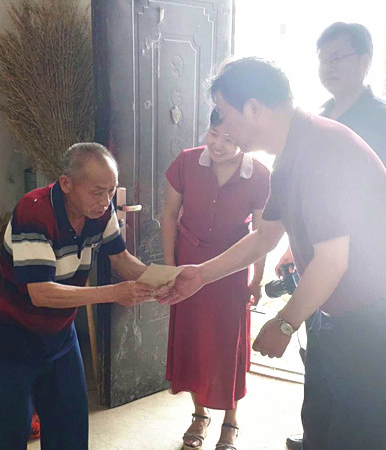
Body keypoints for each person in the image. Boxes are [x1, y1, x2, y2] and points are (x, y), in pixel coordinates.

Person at [159, 58, 386, 450]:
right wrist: (200, 275)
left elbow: (332, 261)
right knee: (321, 432)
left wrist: (285, 322)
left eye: (225, 111)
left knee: (361, 440)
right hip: (336, 312)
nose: (222, 124)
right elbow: (264, 237)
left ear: (254, 108)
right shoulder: (290, 155)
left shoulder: (322, 149)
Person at [284, 22, 386, 449]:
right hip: (325, 280)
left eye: (337, 57)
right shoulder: (317, 119)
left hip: (373, 285)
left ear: (365, 61)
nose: (328, 66)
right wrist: (295, 250)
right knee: (322, 386)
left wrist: (339, 253)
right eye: (322, 59)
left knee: (370, 411)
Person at [0, 142, 164, 449]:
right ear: (66, 184)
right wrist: (114, 293)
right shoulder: (34, 210)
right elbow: (41, 293)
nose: (105, 201)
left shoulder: (100, 211)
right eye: (97, 192)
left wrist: (162, 280)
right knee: (12, 432)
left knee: (70, 427)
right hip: (16, 337)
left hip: (60, 335)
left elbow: (121, 259)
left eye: (111, 191)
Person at [162, 109, 270, 450]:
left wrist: (257, 280)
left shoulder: (260, 175)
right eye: (213, 133)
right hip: (188, 264)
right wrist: (170, 267)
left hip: (232, 270)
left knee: (228, 344)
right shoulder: (186, 162)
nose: (218, 144)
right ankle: (199, 415)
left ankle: (230, 420)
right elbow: (169, 214)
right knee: (192, 340)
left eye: (229, 138)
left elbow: (262, 235)